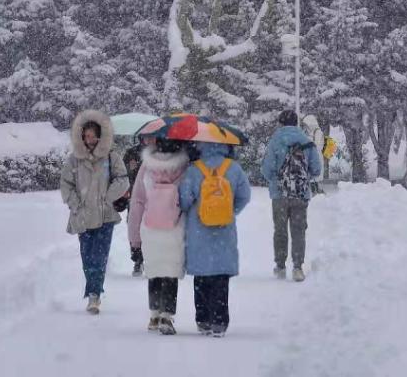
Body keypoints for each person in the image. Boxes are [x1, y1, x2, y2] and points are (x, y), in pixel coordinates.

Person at [60, 110, 130, 314]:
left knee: (99, 257)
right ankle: (93, 289)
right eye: (85, 136)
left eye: (92, 136)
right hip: (82, 216)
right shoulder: (74, 160)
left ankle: (94, 294)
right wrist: (75, 204)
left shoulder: (111, 157)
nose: (88, 140)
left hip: (104, 216)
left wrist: (107, 198)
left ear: (100, 135)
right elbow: (66, 184)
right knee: (87, 257)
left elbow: (123, 179)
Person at [178, 141, 252, 337]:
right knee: (221, 278)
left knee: (201, 278)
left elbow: (184, 200)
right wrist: (229, 212)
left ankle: (203, 320)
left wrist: (197, 210)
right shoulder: (233, 168)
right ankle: (219, 321)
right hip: (224, 232)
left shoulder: (194, 169)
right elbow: (245, 196)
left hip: (199, 232)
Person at [127, 137, 191, 335]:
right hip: (174, 227)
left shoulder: (147, 166)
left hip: (150, 227)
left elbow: (137, 202)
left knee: (154, 269)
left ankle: (154, 314)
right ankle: (167, 315)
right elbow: (187, 199)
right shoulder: (185, 167)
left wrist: (134, 238)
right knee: (170, 272)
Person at [261, 109, 322, 282]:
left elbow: (266, 170)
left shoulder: (275, 141)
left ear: (280, 123)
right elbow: (316, 169)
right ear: (296, 123)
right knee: (298, 231)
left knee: (280, 231)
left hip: (279, 194)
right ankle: (297, 267)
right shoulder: (306, 141)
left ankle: (280, 267)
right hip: (300, 194)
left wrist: (277, 180)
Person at [121, 139, 145, 277]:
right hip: (134, 196)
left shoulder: (158, 151)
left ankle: (149, 257)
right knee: (134, 228)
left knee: (150, 228)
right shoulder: (131, 152)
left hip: (153, 197)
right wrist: (131, 169)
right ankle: (138, 259)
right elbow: (123, 174)